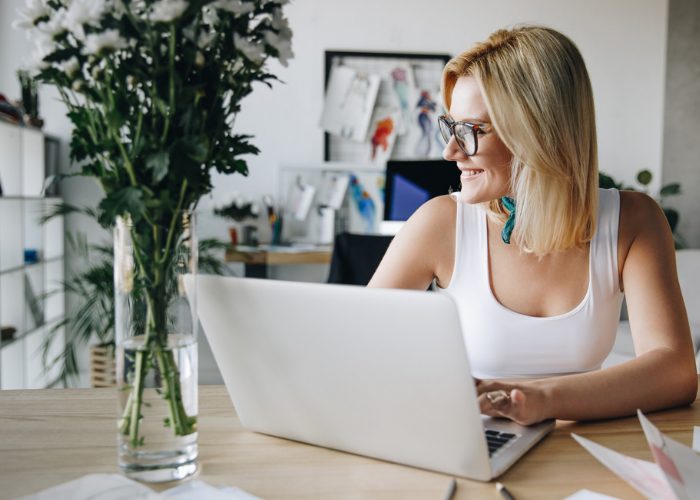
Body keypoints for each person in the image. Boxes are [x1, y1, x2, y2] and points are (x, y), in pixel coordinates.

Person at [368, 25, 697, 425]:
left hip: (584, 449)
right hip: (477, 443)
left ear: (538, 132)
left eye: (471, 130)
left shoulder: (634, 220)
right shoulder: (440, 223)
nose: (449, 150)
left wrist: (541, 398)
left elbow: (675, 371)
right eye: (451, 127)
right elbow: (360, 349)